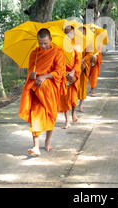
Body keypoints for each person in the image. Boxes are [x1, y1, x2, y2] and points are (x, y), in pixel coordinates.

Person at [18, 28, 66, 156]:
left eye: (45, 43)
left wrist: (44, 76)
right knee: (36, 116)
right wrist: (32, 75)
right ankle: (36, 147)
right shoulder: (34, 54)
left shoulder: (57, 52)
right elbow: (29, 71)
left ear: (50, 40)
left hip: (50, 89)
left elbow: (60, 72)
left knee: (51, 115)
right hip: (36, 89)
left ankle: (48, 142)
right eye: (40, 43)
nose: (43, 46)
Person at [57, 25, 82, 129]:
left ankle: (73, 113)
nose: (68, 35)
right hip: (63, 74)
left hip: (74, 74)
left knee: (72, 97)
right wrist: (63, 73)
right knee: (64, 97)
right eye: (66, 32)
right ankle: (67, 120)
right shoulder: (60, 46)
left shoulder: (77, 45)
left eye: (70, 32)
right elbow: (58, 61)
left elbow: (78, 61)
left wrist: (72, 72)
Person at [77, 26, 93, 112]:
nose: (81, 34)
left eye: (83, 32)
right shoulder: (73, 42)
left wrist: (83, 59)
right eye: (79, 32)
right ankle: (71, 103)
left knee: (82, 86)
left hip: (83, 65)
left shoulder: (88, 42)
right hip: (74, 66)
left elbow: (90, 53)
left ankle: (81, 105)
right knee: (73, 86)